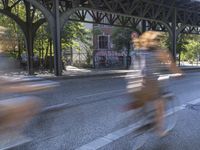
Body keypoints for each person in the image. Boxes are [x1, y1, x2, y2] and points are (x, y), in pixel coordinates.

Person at [126, 31, 183, 136]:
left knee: (142, 98)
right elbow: (171, 66)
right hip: (148, 85)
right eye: (158, 40)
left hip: (132, 84)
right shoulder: (159, 52)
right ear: (155, 41)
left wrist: (135, 38)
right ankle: (160, 131)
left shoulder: (138, 49)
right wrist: (179, 73)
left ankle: (142, 119)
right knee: (160, 104)